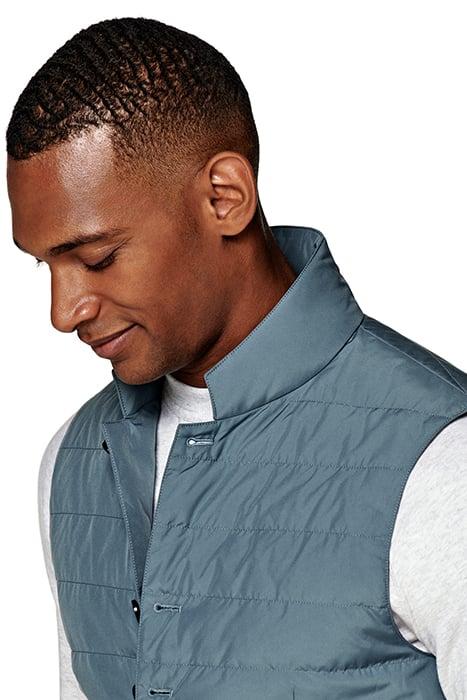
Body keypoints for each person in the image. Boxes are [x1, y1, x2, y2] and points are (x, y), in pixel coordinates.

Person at [6, 16, 466, 700]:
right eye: (45, 265)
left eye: (97, 258)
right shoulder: (72, 461)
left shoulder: (439, 462)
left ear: (224, 197)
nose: (62, 310)